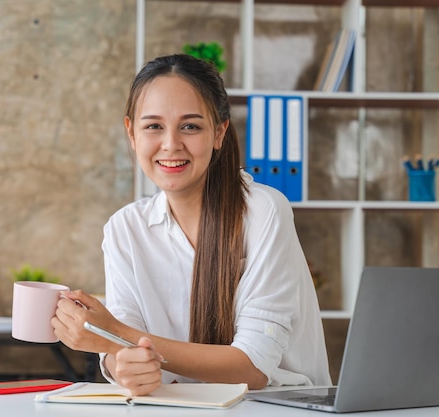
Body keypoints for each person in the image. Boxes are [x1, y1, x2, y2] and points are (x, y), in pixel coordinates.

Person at [52, 54, 331, 395]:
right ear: (131, 133)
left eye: (190, 126)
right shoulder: (125, 229)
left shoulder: (263, 211)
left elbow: (254, 368)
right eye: (153, 126)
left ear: (219, 132)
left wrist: (114, 336)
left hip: (274, 408)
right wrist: (122, 365)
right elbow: (124, 345)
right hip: (177, 407)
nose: (171, 144)